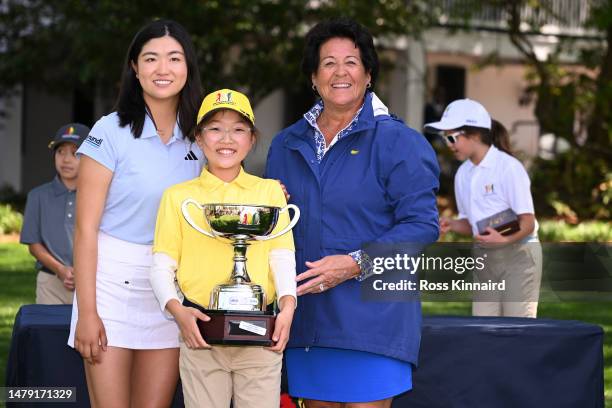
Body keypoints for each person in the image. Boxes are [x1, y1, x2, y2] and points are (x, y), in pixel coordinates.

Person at [265, 18, 440, 407]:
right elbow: (272, 230)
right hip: (306, 324)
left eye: (351, 62)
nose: (340, 72)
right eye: (328, 63)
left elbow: (422, 226)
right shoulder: (285, 145)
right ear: (313, 76)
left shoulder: (400, 143)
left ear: (368, 74)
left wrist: (356, 263)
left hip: (375, 322)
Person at [67, 19, 204, 407]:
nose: (163, 69)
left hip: (170, 289)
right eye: (151, 58)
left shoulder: (201, 135)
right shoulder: (108, 132)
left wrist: (266, 194)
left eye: (174, 58)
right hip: (109, 286)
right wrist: (88, 313)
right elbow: (85, 230)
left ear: (188, 67)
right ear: (134, 67)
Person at [150, 89, 296, 408]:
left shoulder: (269, 191)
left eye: (238, 129)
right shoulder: (178, 197)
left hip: (259, 336)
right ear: (199, 140)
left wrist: (288, 307)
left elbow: (281, 257)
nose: (226, 138)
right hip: (200, 334)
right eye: (215, 128)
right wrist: (178, 312)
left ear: (252, 139)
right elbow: (162, 266)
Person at [425, 99, 542, 318]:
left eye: (452, 137)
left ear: (475, 135)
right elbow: (472, 225)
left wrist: (504, 240)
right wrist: (451, 224)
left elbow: (527, 222)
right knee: (484, 329)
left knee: (518, 331)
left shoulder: (508, 167)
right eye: (445, 138)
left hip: (519, 256)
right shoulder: (463, 175)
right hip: (485, 258)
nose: (448, 144)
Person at [20, 123, 90, 305]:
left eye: (75, 153)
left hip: (92, 282)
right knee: (50, 332)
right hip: (50, 282)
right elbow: (34, 244)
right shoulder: (37, 196)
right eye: (60, 152)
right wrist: (60, 269)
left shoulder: (99, 197)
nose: (66, 160)